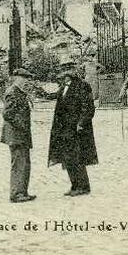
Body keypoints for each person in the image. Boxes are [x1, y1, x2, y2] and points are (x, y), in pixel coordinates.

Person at [48, 58, 98, 196]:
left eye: (67, 70)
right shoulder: (63, 87)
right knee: (68, 157)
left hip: (77, 129)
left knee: (78, 157)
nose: (64, 74)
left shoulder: (82, 85)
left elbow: (89, 108)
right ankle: (74, 185)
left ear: (72, 71)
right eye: (63, 71)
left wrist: (81, 124)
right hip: (64, 129)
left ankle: (83, 186)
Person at [1, 68, 37, 203]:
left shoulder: (19, 92)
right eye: (24, 78)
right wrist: (21, 125)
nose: (26, 81)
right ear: (17, 78)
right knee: (18, 164)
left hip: (21, 134)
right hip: (16, 134)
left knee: (24, 163)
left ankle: (22, 192)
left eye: (27, 79)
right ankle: (16, 194)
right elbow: (7, 113)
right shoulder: (12, 92)